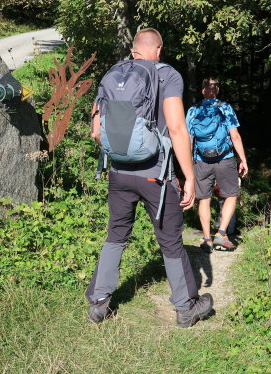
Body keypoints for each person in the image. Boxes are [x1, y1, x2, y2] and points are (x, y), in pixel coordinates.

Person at [86, 28, 213, 328]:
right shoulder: (167, 75)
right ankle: (186, 307)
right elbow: (179, 129)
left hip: (118, 173)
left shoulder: (114, 72)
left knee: (116, 234)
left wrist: (122, 153)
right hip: (156, 176)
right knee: (170, 241)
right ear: (158, 49)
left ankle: (99, 303)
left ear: (133, 50)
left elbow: (95, 130)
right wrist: (190, 178)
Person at [186, 78, 248, 253]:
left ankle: (207, 240)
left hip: (201, 161)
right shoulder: (225, 107)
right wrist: (243, 160)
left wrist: (189, 163)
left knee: (203, 199)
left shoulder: (193, 110)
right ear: (217, 90)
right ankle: (221, 234)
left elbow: (189, 140)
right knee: (232, 194)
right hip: (225, 159)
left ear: (203, 90)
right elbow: (235, 136)